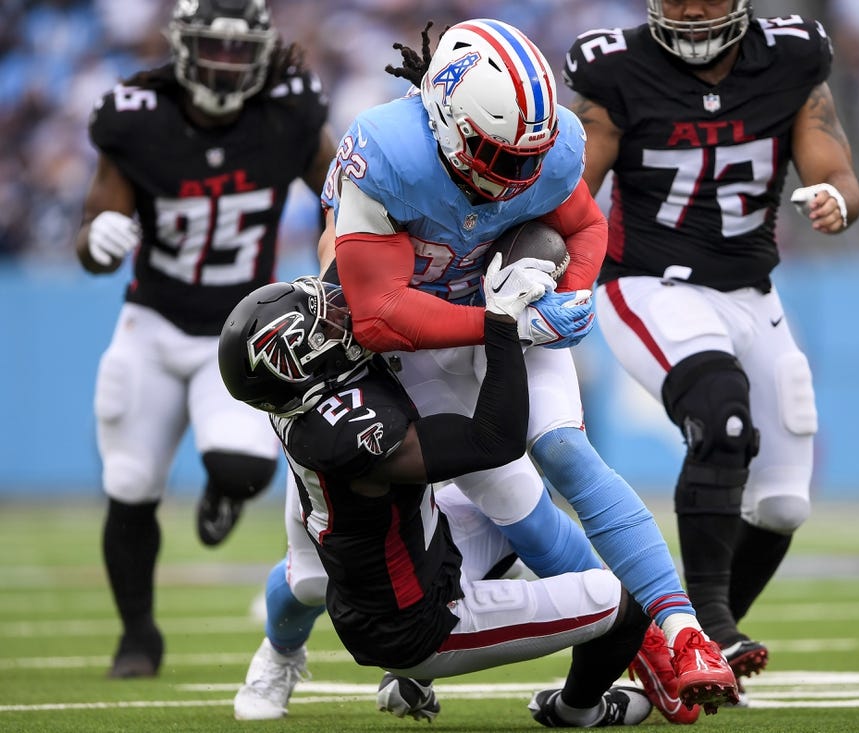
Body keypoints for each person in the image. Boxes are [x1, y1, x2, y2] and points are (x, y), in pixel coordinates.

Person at [233, 18, 738, 726]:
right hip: (394, 350)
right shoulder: (387, 152)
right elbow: (377, 313)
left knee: (555, 464)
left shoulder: (549, 141)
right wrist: (501, 323)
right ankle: (280, 652)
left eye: (525, 158)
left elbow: (586, 227)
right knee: (314, 573)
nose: (513, 178)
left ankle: (676, 634)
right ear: (443, 117)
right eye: (493, 154)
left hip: (502, 320)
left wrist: (570, 293)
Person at [561, 0, 859, 693]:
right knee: (723, 415)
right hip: (646, 285)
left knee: (784, 502)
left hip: (752, 292)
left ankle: (675, 655)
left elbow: (837, 170)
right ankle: (713, 627)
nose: (693, 10)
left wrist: (839, 200)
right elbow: (576, 194)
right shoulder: (616, 70)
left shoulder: (790, 58)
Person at [218, 270, 654, 728]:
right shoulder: (347, 432)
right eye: (322, 326)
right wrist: (501, 324)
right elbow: (493, 442)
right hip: (419, 626)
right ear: (296, 361)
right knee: (625, 598)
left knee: (514, 512)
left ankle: (409, 678)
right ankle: (577, 710)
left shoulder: (303, 396)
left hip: (420, 557)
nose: (340, 319)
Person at [74, 0, 336, 678]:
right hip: (154, 323)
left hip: (241, 329)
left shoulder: (289, 113)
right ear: (183, 48)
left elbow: (345, 192)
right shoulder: (137, 116)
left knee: (243, 469)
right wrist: (98, 243)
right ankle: (138, 636)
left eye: (237, 51)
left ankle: (222, 493)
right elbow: (94, 227)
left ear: (262, 53)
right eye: (210, 50)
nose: (223, 67)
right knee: (130, 483)